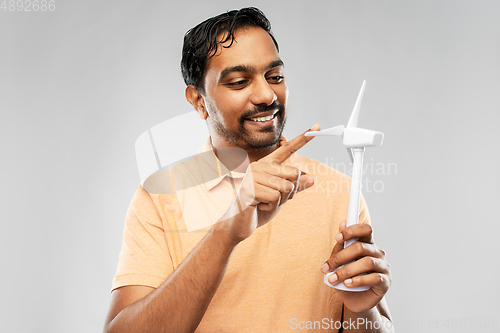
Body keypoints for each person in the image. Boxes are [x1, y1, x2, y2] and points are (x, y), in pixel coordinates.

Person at [104, 7, 393, 333]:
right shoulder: (160, 197)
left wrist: (362, 312)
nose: (267, 95)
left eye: (275, 77)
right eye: (240, 81)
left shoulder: (339, 192)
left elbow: (374, 327)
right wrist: (226, 232)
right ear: (198, 101)